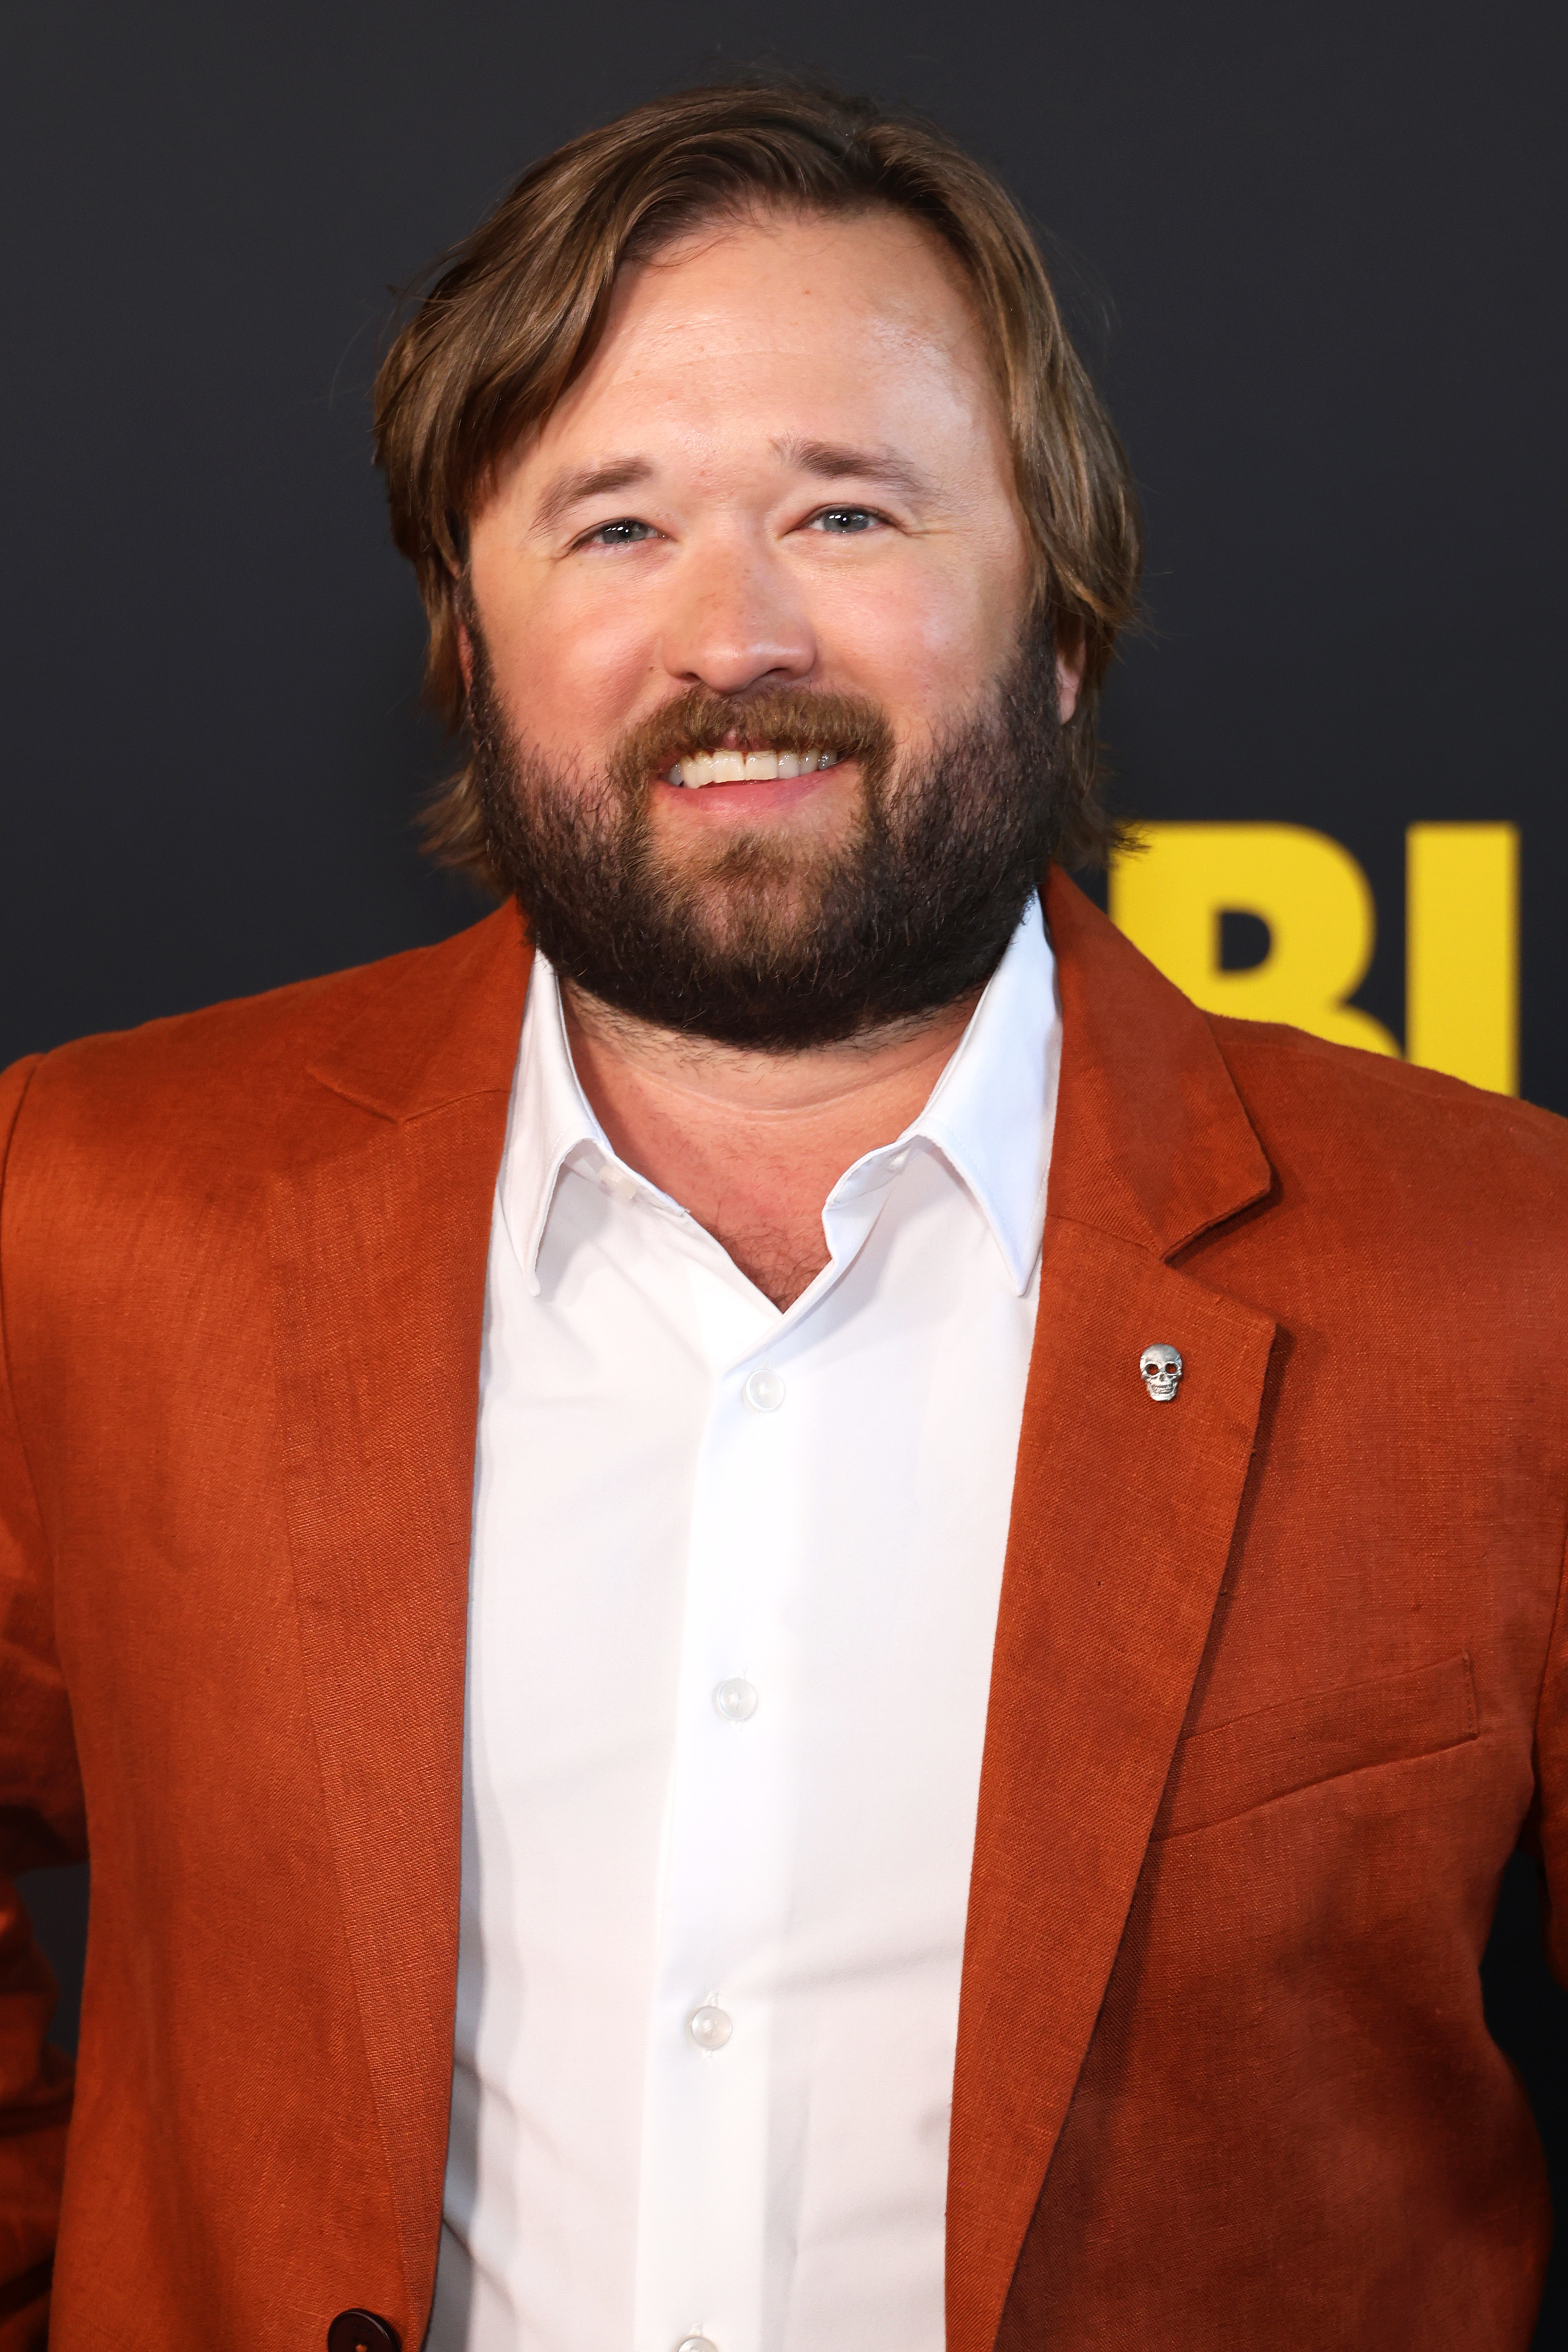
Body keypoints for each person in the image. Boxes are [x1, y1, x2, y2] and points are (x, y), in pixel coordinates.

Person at [1, 74, 1563, 2352]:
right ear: (469, 640)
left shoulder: (1502, 1280)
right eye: (612, 527)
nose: (733, 636)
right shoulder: (94, 1211)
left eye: (847, 511)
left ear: (1060, 617)